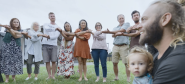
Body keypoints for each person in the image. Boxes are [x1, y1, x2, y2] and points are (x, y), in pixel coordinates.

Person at [133, 0, 185, 83]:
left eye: (144, 19)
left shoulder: (176, 62)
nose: (138, 26)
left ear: (165, 19)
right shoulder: (157, 56)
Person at [0, 18, 30, 83]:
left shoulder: (20, 30)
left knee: (15, 63)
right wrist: (22, 32)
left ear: (19, 23)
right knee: (7, 62)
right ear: (11, 23)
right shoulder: (7, 28)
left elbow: (16, 36)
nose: (16, 23)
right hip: (7, 46)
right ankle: (7, 79)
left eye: (17, 22)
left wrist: (20, 32)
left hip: (16, 47)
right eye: (14, 22)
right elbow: (13, 33)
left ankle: (13, 78)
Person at [102, 14, 130, 82]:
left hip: (124, 46)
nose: (121, 19)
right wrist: (117, 33)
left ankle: (128, 78)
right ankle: (116, 77)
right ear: (118, 20)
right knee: (114, 63)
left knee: (126, 63)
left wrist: (116, 33)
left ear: (124, 19)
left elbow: (123, 30)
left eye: (122, 18)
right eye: (120, 18)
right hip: (116, 46)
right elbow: (112, 35)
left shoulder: (127, 24)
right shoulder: (115, 28)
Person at [42, 12, 60, 79]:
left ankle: (53, 76)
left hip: (54, 45)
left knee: (53, 61)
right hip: (45, 44)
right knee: (47, 61)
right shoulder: (45, 24)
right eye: (51, 16)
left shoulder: (58, 26)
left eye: (53, 16)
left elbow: (56, 36)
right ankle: (49, 75)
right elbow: (47, 29)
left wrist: (49, 37)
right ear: (49, 17)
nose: (53, 17)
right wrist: (55, 29)